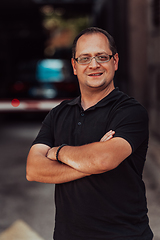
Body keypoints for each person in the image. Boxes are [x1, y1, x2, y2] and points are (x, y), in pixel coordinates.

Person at [26, 27, 153, 240]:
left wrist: (58, 152)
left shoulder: (130, 111)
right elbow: (33, 169)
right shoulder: (58, 114)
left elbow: (103, 159)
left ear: (115, 61)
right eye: (85, 58)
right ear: (74, 66)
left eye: (102, 57)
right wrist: (91, 164)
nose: (94, 65)